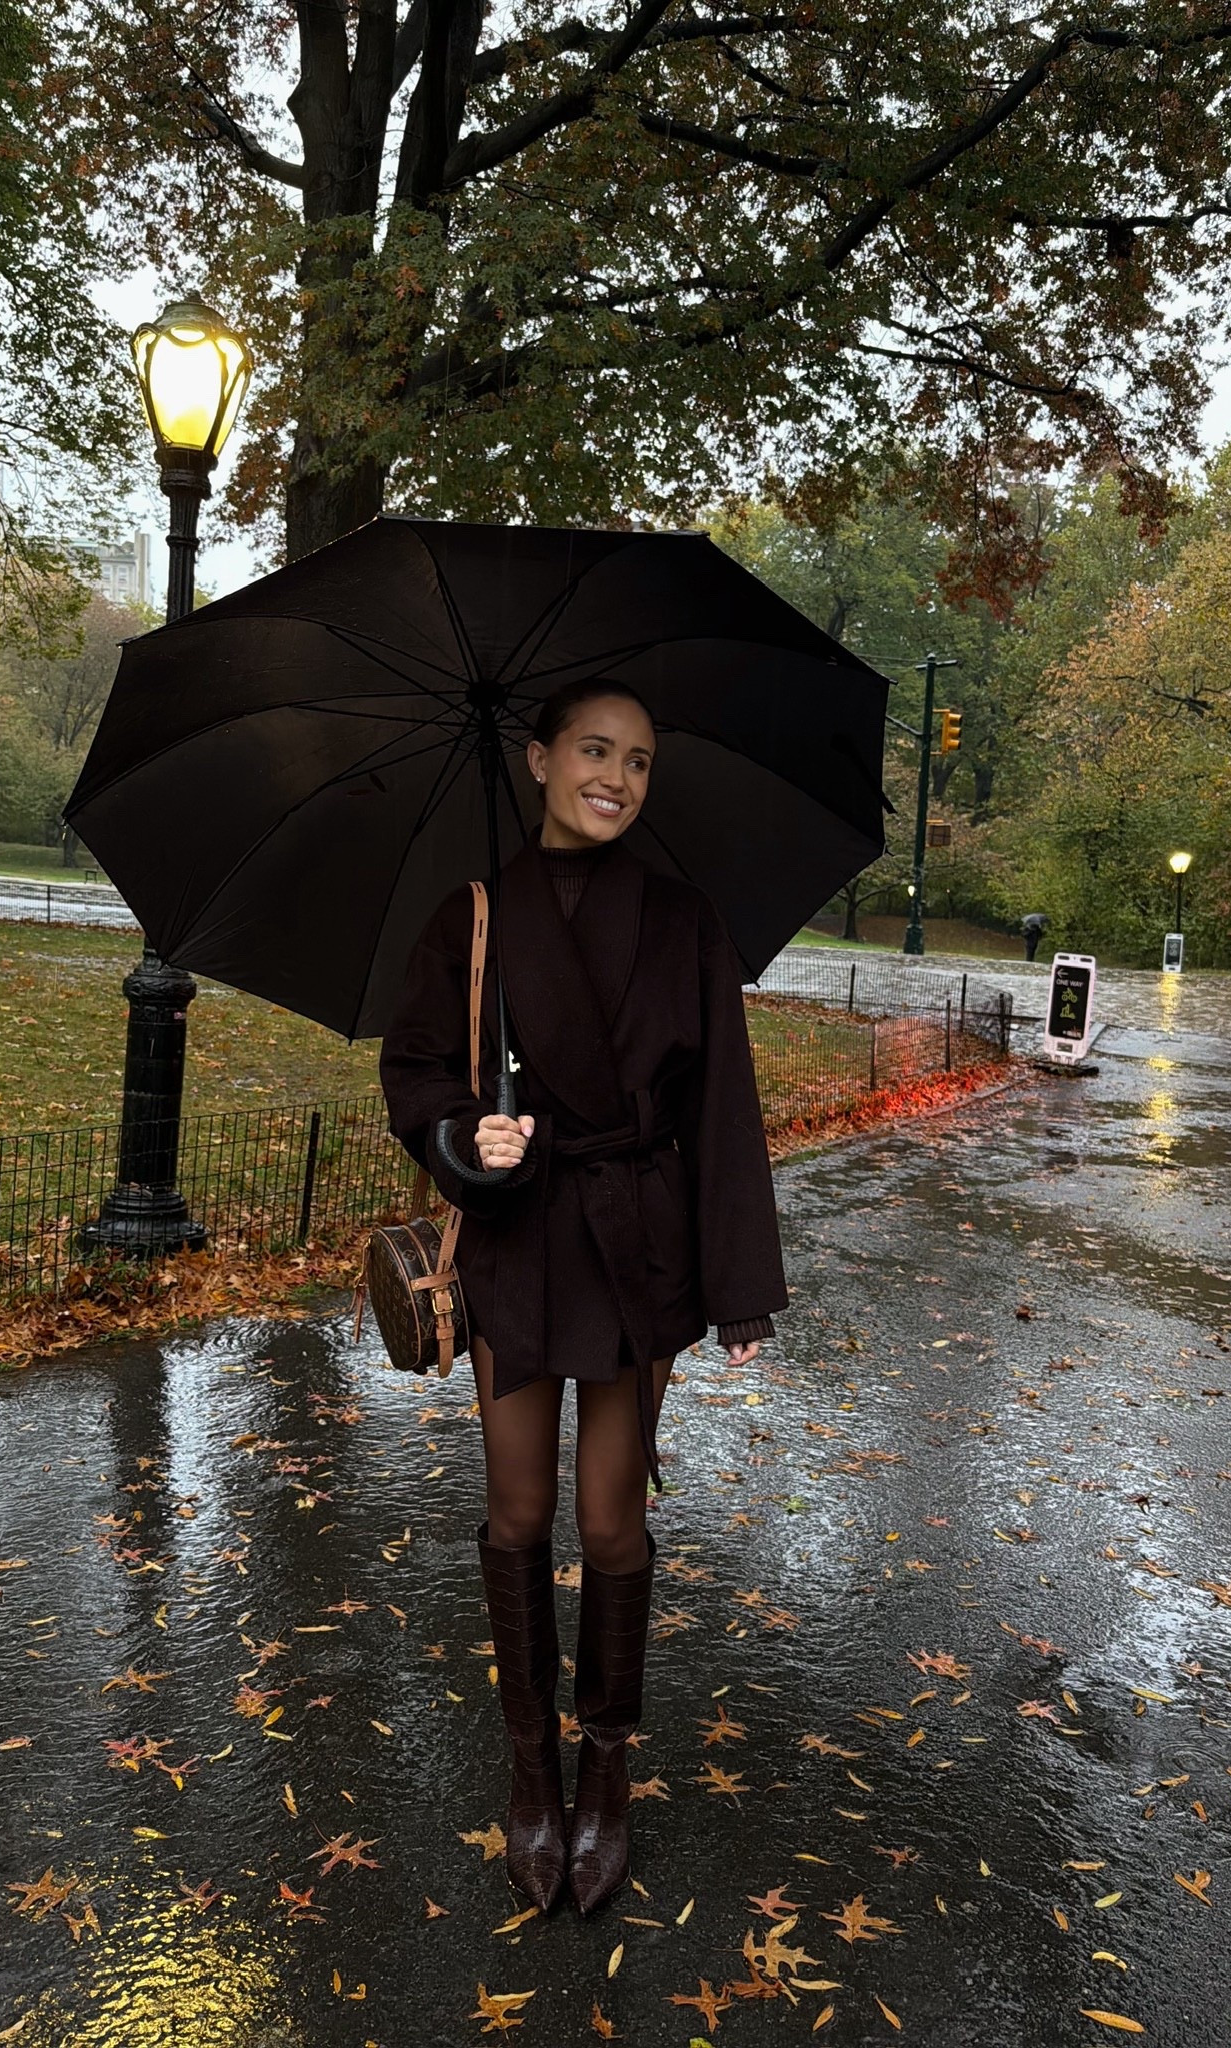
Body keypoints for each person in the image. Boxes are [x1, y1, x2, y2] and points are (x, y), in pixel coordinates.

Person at [378, 678, 788, 1918]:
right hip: (515, 1239)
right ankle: (531, 1768)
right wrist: (464, 1138)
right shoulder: (474, 915)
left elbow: (723, 1106)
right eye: (596, 751)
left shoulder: (683, 918)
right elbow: (418, 1069)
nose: (617, 776)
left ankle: (605, 1763)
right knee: (516, 1513)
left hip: (634, 1250)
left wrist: (738, 1287)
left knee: (611, 1526)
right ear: (541, 758)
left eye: (641, 761)